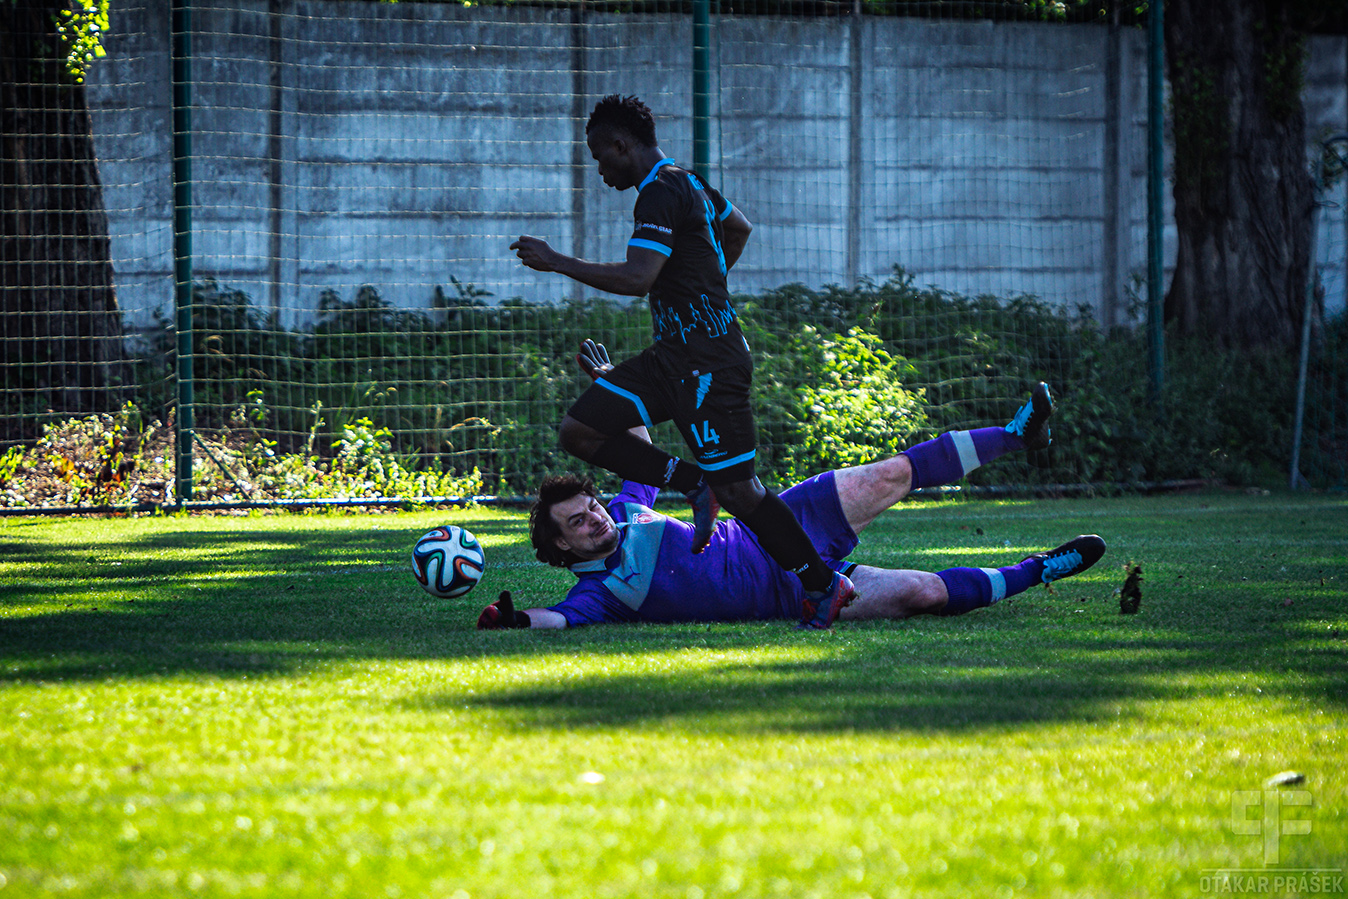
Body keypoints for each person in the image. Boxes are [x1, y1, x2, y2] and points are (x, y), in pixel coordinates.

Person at [510, 93, 871, 628]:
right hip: (671, 358)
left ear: (620, 144)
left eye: (598, 154)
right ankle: (692, 481)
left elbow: (637, 279)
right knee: (579, 431)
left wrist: (557, 261)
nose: (598, 166)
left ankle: (823, 584)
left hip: (709, 365)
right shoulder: (691, 182)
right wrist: (704, 279)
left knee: (742, 491)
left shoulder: (659, 190)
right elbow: (739, 227)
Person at [477, 379, 1100, 630]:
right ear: (562, 546)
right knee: (925, 594)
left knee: (891, 473)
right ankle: (1038, 569)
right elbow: (554, 621)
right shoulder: (598, 596)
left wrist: (612, 382)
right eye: (578, 522)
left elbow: (633, 444)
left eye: (591, 506)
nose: (595, 518)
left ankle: (1018, 435)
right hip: (794, 592)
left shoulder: (630, 509)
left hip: (784, 520)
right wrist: (512, 621)